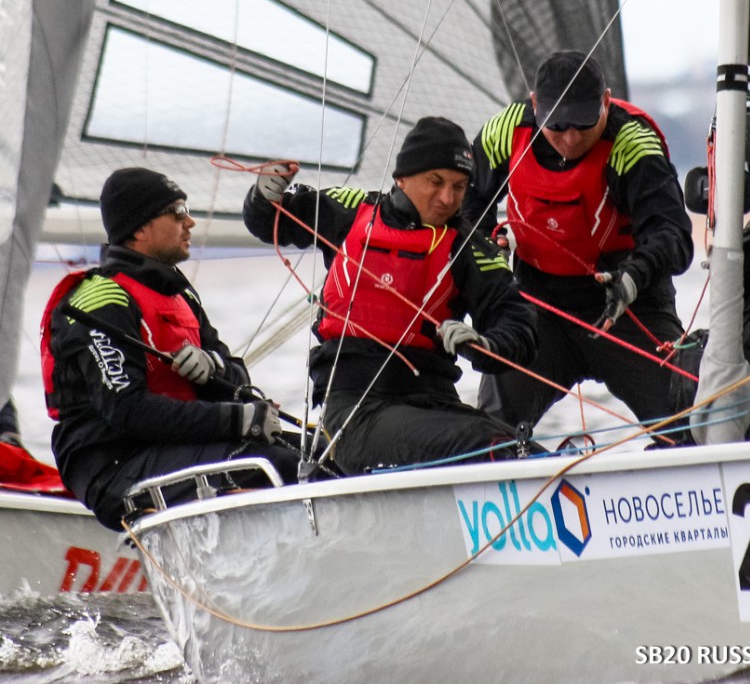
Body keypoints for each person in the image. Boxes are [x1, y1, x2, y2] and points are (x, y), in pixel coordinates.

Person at [243, 116, 538, 473]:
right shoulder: (352, 211)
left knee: (519, 448)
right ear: (402, 177)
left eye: (459, 187)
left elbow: (518, 324)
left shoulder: (471, 248)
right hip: (355, 413)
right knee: (489, 444)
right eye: (435, 182)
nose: (447, 198)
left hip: (435, 404)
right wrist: (263, 196)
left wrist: (484, 345)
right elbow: (268, 221)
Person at [43, 168, 298, 529]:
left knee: (316, 456)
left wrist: (213, 367)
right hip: (114, 465)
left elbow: (238, 376)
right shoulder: (98, 302)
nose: (190, 222)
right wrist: (236, 421)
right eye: (178, 212)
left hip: (172, 449)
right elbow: (128, 410)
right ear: (139, 228)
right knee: (275, 463)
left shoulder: (181, 295)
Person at [461, 50, 694, 443]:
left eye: (585, 123)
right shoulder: (507, 132)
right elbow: (466, 203)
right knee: (490, 435)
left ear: (606, 101)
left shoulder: (633, 144)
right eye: (557, 125)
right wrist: (487, 248)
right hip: (540, 309)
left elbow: (675, 236)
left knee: (688, 427)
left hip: (626, 307)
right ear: (535, 105)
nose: (570, 139)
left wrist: (633, 277)